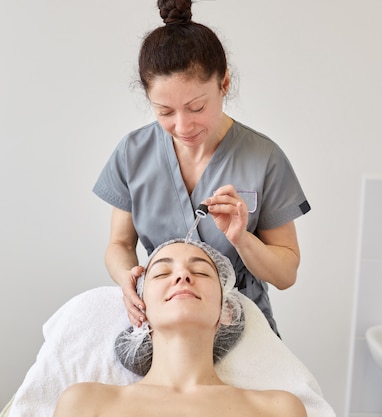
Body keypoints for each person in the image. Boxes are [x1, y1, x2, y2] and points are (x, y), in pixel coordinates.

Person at [92, 0, 310, 335]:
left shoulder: (264, 158)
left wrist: (241, 239)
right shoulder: (132, 153)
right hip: (160, 323)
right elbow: (119, 244)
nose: (182, 126)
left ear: (224, 84)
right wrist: (127, 278)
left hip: (240, 327)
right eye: (165, 112)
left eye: (196, 107)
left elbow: (286, 275)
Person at [52, 239, 307, 417]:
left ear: (226, 310)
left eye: (202, 272)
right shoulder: (84, 403)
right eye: (162, 273)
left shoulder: (280, 410)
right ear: (140, 307)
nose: (182, 276)